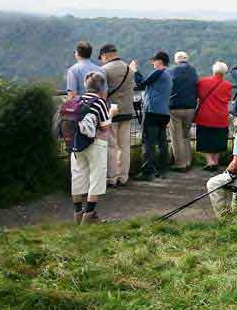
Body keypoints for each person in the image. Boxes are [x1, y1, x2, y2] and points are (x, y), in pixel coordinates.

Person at [70, 72, 116, 224]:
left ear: (86, 85)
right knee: (96, 179)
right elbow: (105, 127)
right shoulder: (99, 102)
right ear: (102, 87)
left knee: (78, 177)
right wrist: (112, 113)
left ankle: (77, 214)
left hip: (77, 144)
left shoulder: (77, 99)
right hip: (95, 144)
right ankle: (89, 217)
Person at [98, 44, 135, 187]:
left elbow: (102, 92)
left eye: (101, 57)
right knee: (124, 146)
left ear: (105, 55)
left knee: (111, 146)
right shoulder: (129, 69)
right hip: (127, 111)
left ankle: (112, 177)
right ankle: (124, 176)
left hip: (111, 112)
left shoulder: (104, 70)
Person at [132, 51, 173, 181]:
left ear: (159, 62)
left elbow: (141, 83)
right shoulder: (168, 74)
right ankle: (162, 170)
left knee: (148, 142)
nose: (152, 63)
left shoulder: (159, 72)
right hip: (164, 113)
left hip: (152, 112)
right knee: (162, 142)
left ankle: (147, 172)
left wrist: (134, 70)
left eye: (154, 61)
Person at [195, 61, 233, 172]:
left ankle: (210, 161)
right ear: (224, 72)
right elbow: (229, 99)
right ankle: (215, 161)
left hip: (205, 115)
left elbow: (198, 95)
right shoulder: (228, 86)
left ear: (213, 70)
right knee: (218, 140)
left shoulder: (202, 82)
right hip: (221, 117)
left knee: (205, 139)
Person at [168, 51, 199, 172]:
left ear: (177, 60)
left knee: (176, 137)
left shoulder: (172, 70)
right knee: (186, 135)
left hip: (175, 106)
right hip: (191, 107)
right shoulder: (193, 70)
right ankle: (188, 161)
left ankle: (180, 163)